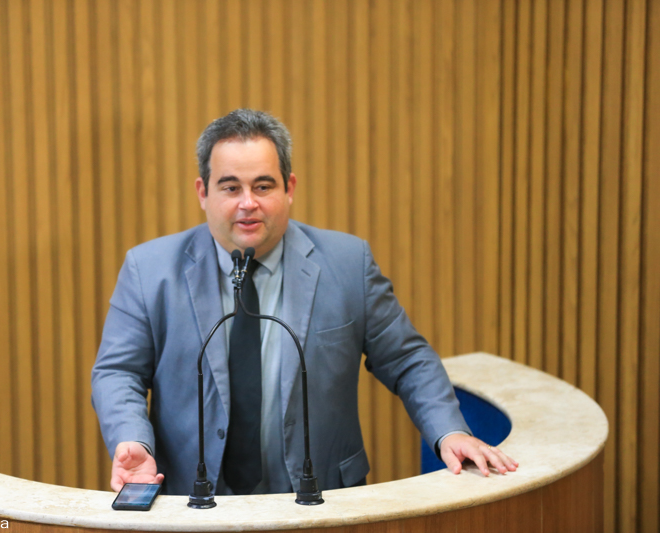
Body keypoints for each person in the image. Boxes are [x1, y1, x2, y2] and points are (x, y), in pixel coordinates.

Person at [91, 109, 517, 496]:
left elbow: (406, 359)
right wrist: (133, 438)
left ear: (289, 187)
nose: (248, 203)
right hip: (192, 502)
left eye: (263, 186)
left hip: (320, 501)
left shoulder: (348, 263)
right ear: (203, 192)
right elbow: (118, 371)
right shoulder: (149, 270)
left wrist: (449, 431)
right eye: (230, 187)